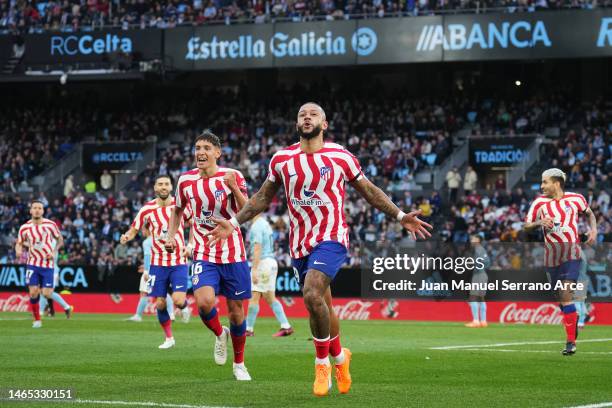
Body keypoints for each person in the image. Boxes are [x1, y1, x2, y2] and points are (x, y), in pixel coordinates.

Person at [205, 103, 432, 396]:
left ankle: (321, 362)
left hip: (332, 237)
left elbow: (370, 191)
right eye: (302, 114)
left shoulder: (340, 156)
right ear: (297, 123)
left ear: (324, 124)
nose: (307, 117)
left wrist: (401, 216)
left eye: (313, 115)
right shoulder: (282, 159)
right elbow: (262, 198)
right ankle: (340, 357)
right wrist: (233, 222)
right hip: (300, 243)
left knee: (311, 293)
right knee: (322, 303)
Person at [165, 131, 252, 381]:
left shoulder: (232, 176)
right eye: (197, 147)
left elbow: (248, 210)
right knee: (204, 303)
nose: (200, 152)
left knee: (236, 312)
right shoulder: (185, 181)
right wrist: (172, 235)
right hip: (204, 252)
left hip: (233, 252)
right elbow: (178, 210)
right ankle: (218, 333)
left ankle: (239, 364)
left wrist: (234, 187)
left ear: (217, 153)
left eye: (206, 148)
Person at [523, 168, 597, 356]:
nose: (542, 186)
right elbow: (526, 225)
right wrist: (540, 222)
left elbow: (589, 213)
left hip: (571, 253)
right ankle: (573, 317)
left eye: (545, 182)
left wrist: (593, 230)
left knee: (565, 294)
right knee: (561, 300)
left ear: (556, 183)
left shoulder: (576, 199)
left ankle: (570, 342)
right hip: (551, 257)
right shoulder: (539, 203)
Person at [120, 175, 192, 349]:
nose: (163, 187)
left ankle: (184, 307)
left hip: (178, 261)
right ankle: (169, 339)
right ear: (155, 187)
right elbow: (135, 228)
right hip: (158, 263)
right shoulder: (147, 209)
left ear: (171, 187)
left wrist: (189, 244)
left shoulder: (180, 205)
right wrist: (127, 236)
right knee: (160, 302)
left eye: (166, 184)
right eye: (160, 184)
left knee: (177, 298)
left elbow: (194, 224)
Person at [15, 200, 65, 328]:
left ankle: (46, 311)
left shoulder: (50, 225)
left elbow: (60, 240)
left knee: (47, 293)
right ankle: (37, 320)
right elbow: (19, 242)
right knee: (33, 292)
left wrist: (54, 252)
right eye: (35, 208)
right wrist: (18, 251)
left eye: (39, 208)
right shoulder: (25, 227)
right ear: (31, 210)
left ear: (43, 211)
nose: (37, 210)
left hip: (48, 264)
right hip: (32, 263)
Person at [245, 214, 293, 337]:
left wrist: (255, 269)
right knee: (270, 298)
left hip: (263, 263)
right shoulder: (265, 223)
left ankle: (248, 329)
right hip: (271, 262)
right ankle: (286, 326)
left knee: (254, 296)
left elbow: (257, 248)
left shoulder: (256, 226)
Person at [39, 250, 73, 319]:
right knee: (44, 292)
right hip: (47, 270)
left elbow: (51, 258)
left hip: (52, 271)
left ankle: (41, 311)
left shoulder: (53, 244)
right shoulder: (47, 243)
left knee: (47, 292)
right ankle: (43, 311)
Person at [465, 234, 490, 328]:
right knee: (481, 298)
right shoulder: (482, 249)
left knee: (473, 297)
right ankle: (483, 321)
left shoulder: (478, 249)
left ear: (478, 240)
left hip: (479, 275)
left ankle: (476, 321)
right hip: (483, 274)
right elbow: (487, 262)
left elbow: (483, 262)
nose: (471, 240)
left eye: (473, 239)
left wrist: (473, 265)